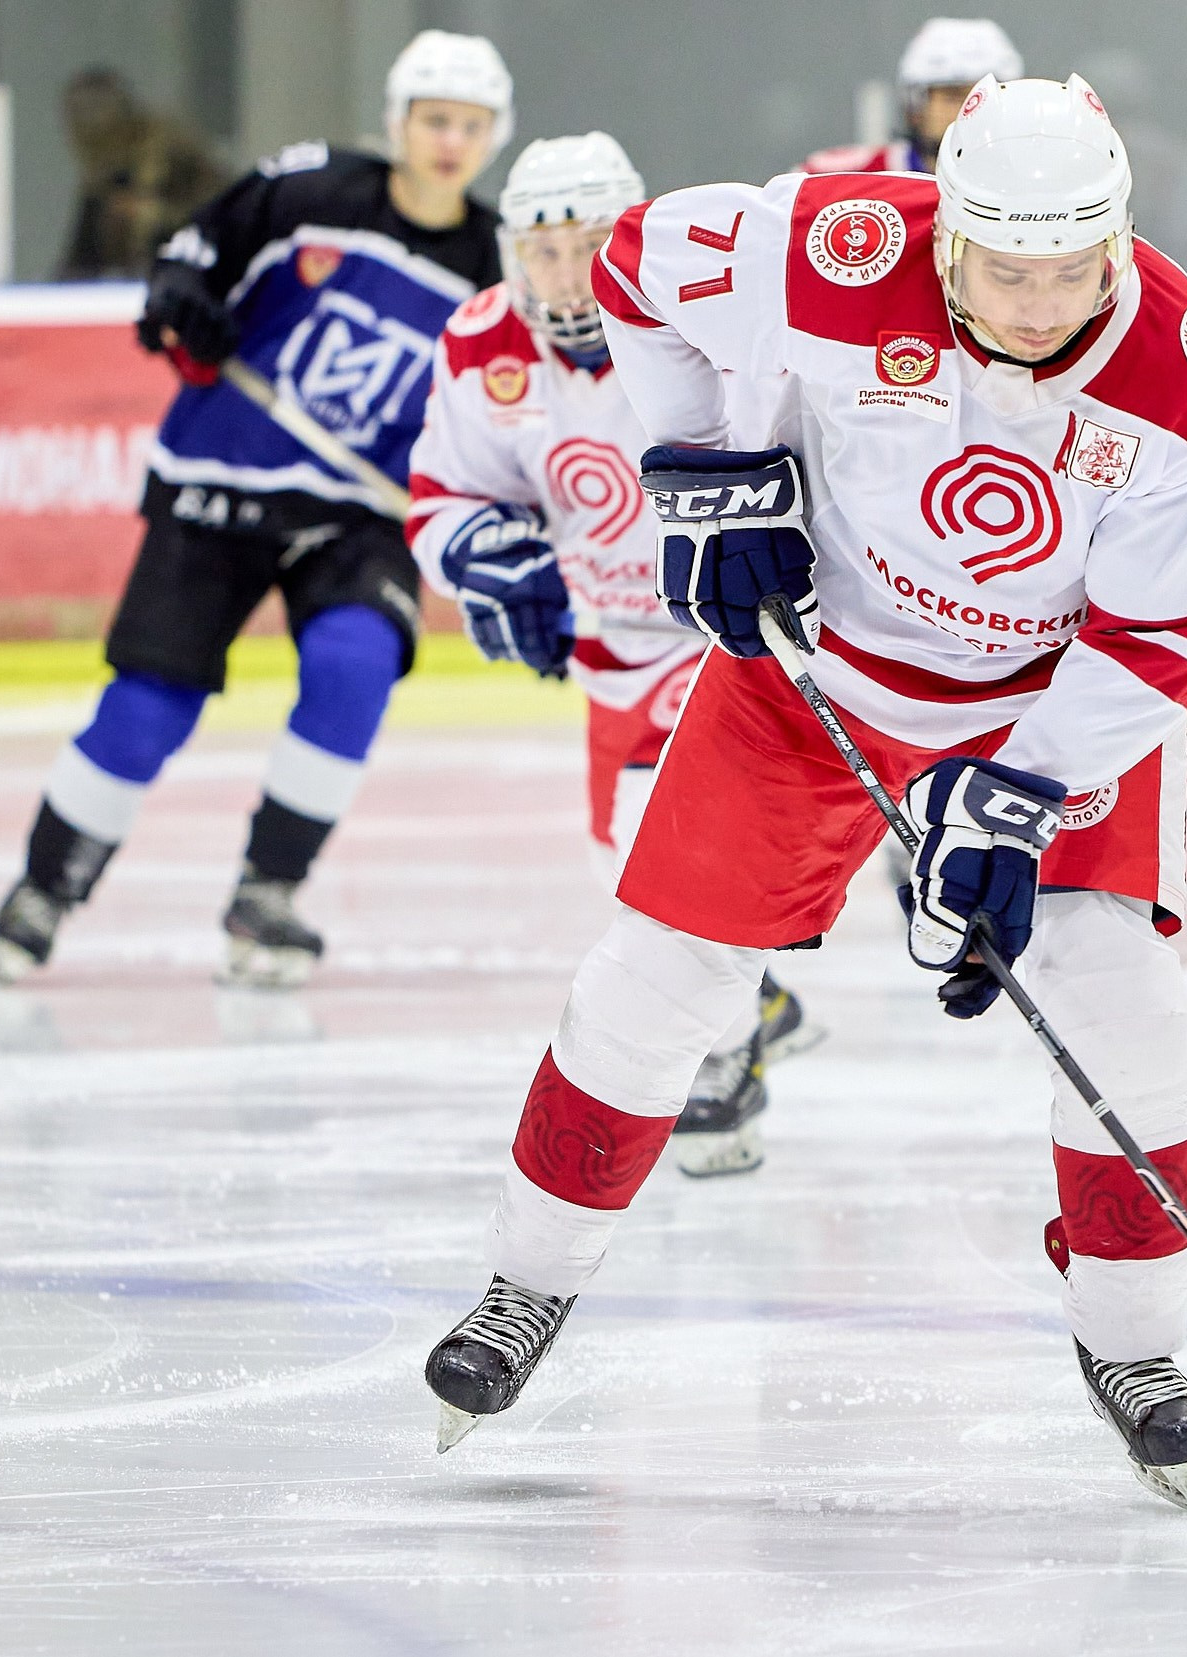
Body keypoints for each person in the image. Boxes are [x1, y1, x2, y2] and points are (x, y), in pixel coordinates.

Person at [426, 75, 1187, 1514]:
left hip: (1042, 709)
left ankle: (1137, 1350)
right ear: (948, 239)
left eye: (1077, 266)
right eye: (1010, 267)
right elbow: (632, 269)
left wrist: (1023, 793)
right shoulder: (834, 245)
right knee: (657, 984)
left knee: (1120, 1001)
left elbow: (1163, 638)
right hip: (812, 681)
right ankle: (526, 1282)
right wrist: (714, 464)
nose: (1047, 298)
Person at [0, 31, 511, 990]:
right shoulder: (311, 190)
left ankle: (269, 890)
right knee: (148, 708)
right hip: (223, 475)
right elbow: (194, 254)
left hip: (359, 511)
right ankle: (45, 886)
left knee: (355, 666)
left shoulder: (493, 266)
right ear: (398, 123)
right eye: (435, 119)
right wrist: (182, 298)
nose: (450, 142)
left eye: (471, 126)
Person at [403, 132, 819, 1177]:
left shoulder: (702, 319)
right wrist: (487, 558)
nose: (566, 274)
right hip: (610, 650)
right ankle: (748, 988)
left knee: (657, 843)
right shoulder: (480, 346)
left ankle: (723, 1061)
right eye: (541, 250)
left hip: (723, 635)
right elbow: (447, 490)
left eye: (588, 244)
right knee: (617, 862)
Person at [55, 67, 228, 280]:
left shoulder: (168, 151)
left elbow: (221, 212)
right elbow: (79, 265)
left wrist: (150, 215)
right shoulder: (106, 180)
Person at [801, 16, 1022, 175]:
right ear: (914, 105)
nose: (971, 111)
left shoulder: (1040, 181)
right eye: (954, 96)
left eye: (987, 99)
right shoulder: (841, 177)